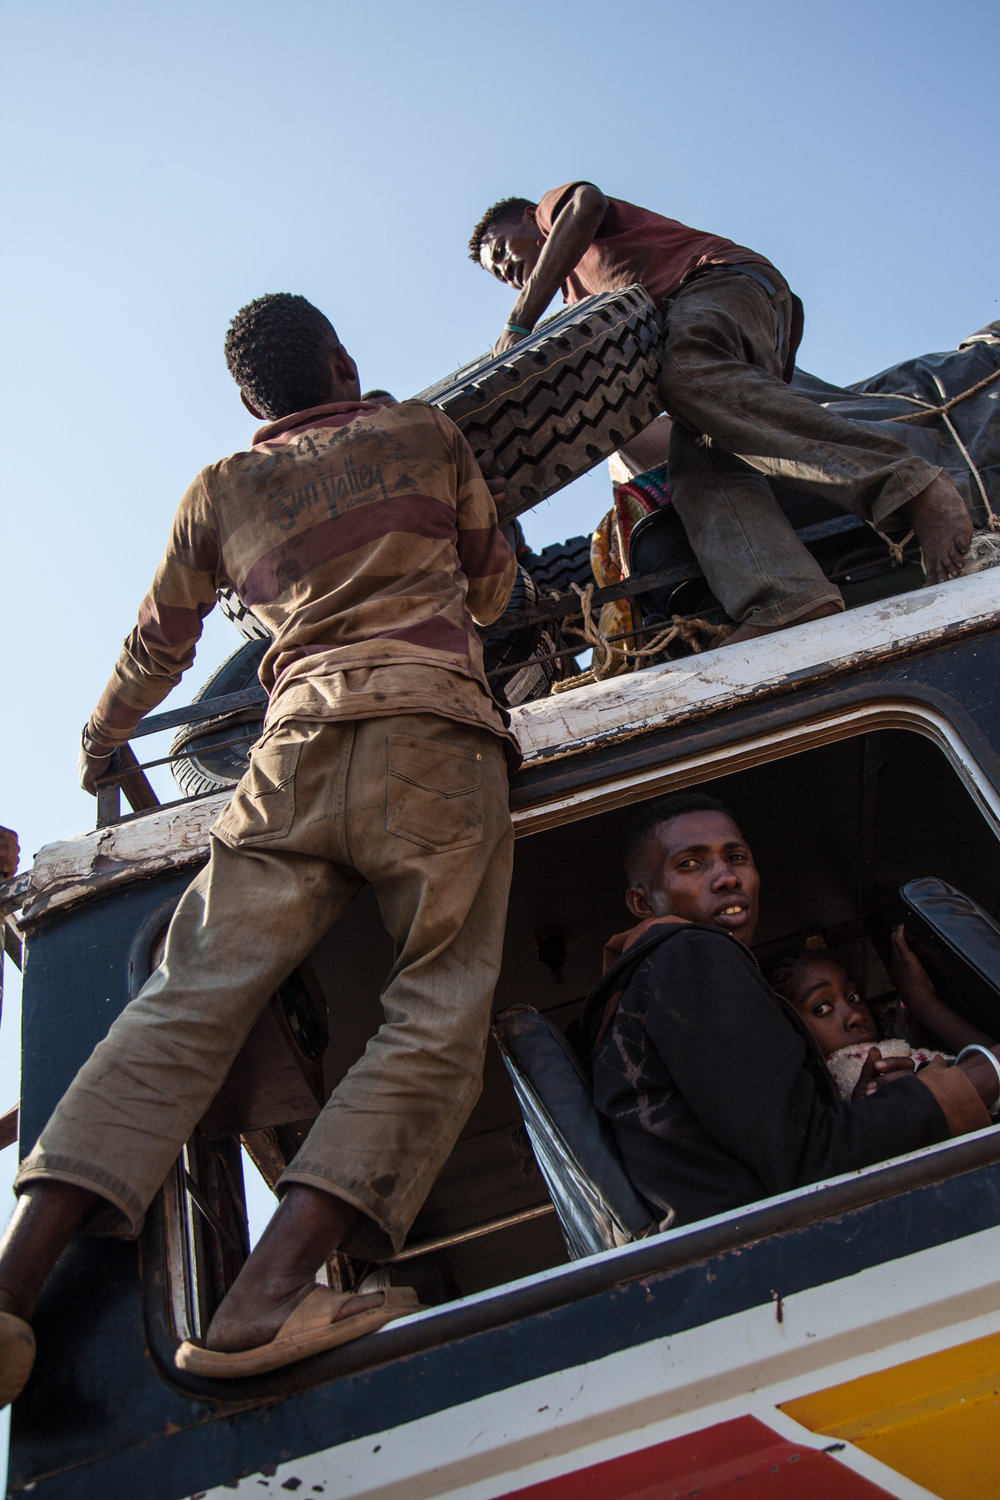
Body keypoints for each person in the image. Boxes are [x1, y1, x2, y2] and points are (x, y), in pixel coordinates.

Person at [0, 293, 519, 1405]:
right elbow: (492, 583)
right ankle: (269, 1296)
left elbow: (157, 645)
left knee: (185, 1002)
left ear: (249, 401)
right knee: (434, 1009)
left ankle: (11, 1289)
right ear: (342, 361)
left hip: (288, 757)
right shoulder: (424, 434)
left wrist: (99, 741)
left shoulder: (219, 491)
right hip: (432, 733)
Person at [468, 184, 972, 640]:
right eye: (497, 275)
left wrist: (519, 323)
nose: (505, 271)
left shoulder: (557, 213)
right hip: (708, 347)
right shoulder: (578, 301)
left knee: (685, 372)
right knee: (697, 474)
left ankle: (914, 486)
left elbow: (587, 203)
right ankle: (787, 599)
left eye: (500, 251)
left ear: (528, 219)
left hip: (717, 284)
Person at [580, 792, 1000, 1232]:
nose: (726, 877)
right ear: (643, 903)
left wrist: (852, 1110)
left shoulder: (646, 985)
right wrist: (983, 1075)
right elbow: (808, 1165)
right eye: (690, 863)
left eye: (737, 857)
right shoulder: (691, 953)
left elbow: (780, 1146)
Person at [769, 934, 997, 1101]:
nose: (855, 1015)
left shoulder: (893, 1053)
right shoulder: (855, 1075)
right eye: (821, 1008)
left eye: (853, 996)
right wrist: (923, 1002)